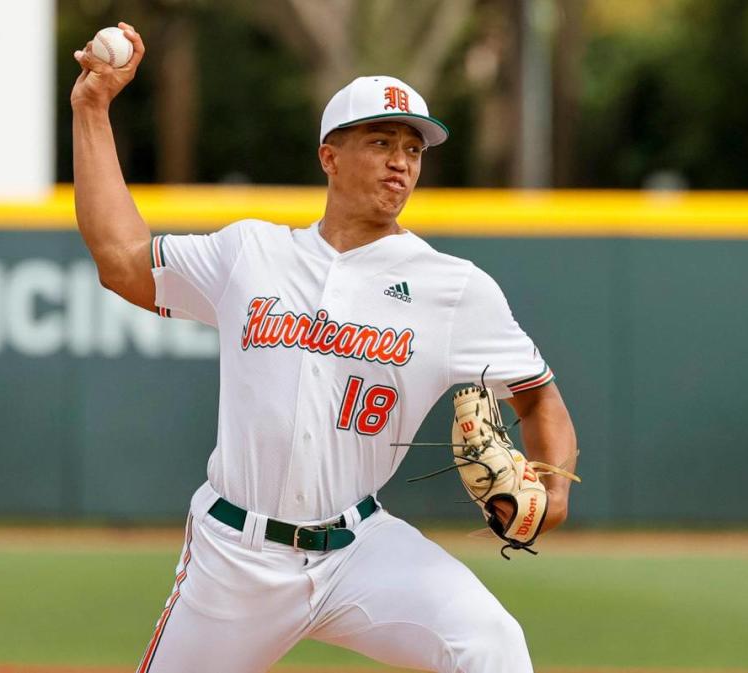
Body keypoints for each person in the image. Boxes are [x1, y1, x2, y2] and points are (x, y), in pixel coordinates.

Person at [71, 22, 578, 673]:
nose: (401, 161)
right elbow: (121, 259)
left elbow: (541, 401)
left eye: (413, 149)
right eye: (380, 141)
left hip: (358, 547)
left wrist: (552, 483)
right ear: (329, 157)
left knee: (491, 643)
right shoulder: (250, 253)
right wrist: (92, 109)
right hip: (237, 556)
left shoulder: (454, 290)